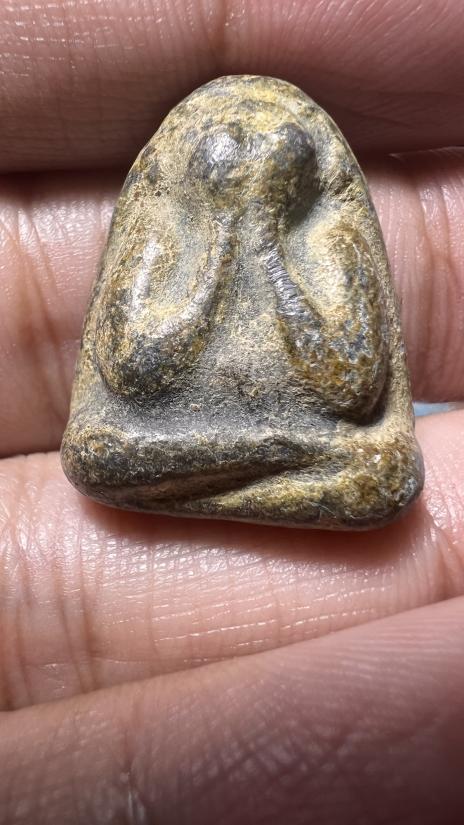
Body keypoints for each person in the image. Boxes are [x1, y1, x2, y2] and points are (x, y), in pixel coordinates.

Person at [0, 1, 463, 822]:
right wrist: (220, 240)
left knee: (387, 475)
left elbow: (353, 388)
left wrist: (270, 245)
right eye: (230, 152)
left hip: (281, 443)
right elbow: (135, 370)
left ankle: (231, 473)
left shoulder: (330, 238)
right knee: (96, 460)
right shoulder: (163, 229)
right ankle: (270, 463)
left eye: (268, 155)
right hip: (211, 442)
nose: (248, 165)